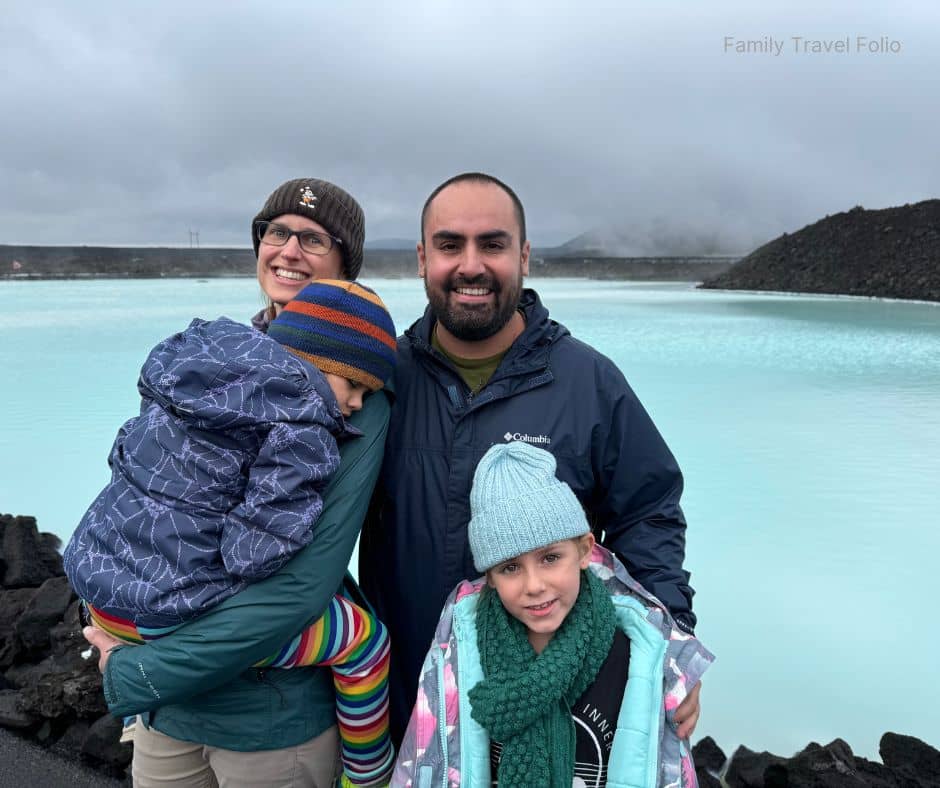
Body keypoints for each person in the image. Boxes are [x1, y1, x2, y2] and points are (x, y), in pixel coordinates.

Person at [360, 172, 702, 744]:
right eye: (450, 245)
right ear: (422, 258)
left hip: (555, 704)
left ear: (524, 256)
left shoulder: (586, 381)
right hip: (410, 703)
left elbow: (648, 512)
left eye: (492, 244)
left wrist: (670, 648)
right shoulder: (381, 381)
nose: (471, 265)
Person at [81, 178, 393, 788]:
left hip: (266, 720)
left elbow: (298, 585)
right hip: (169, 714)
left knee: (361, 640)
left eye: (313, 239)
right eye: (276, 232)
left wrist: (135, 669)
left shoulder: (356, 401)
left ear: (344, 266)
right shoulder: (218, 371)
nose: (289, 250)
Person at [393, 441, 714, 787]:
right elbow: (425, 762)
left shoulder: (639, 655)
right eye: (510, 567)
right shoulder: (460, 654)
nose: (534, 585)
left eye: (550, 558)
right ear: (490, 578)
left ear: (584, 551)